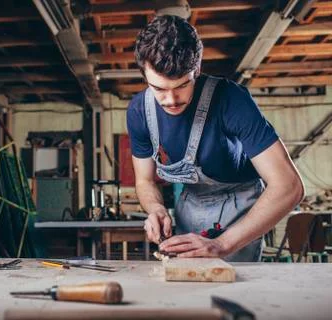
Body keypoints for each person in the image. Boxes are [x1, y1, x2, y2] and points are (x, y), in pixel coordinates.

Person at [127, 15, 305, 262]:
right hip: (189, 205)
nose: (170, 100)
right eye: (159, 89)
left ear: (197, 69)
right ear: (144, 76)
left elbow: (289, 186)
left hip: (240, 208)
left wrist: (223, 244)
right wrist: (156, 209)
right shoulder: (139, 112)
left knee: (233, 289)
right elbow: (145, 181)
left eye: (181, 86)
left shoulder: (232, 100)